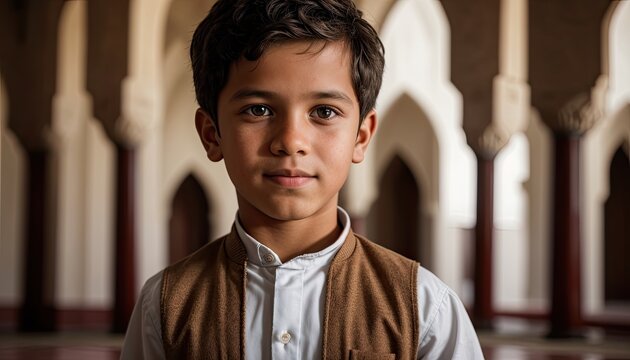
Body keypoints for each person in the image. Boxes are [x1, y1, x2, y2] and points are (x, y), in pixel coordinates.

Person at [121, 0, 484, 358]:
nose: (291, 141)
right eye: (258, 110)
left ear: (361, 136)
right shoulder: (165, 307)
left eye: (324, 112)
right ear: (212, 134)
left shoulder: (425, 310)